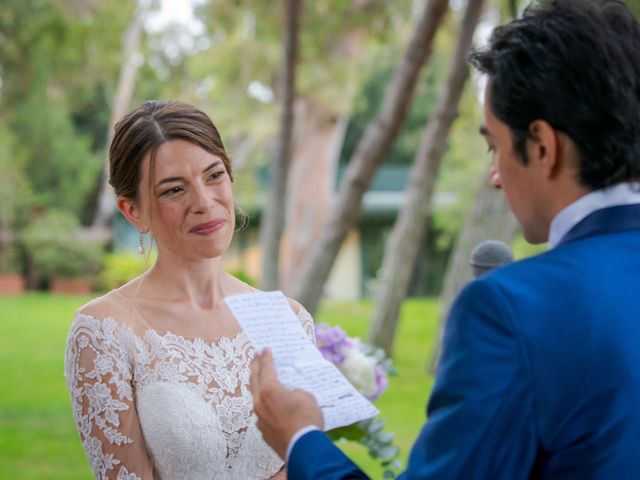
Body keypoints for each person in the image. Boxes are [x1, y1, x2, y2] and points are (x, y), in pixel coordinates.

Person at [249, 0, 640, 478]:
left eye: (494, 145)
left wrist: (301, 438)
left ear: (542, 146)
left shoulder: (510, 309)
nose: (495, 176)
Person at [64, 100, 315, 480]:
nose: (204, 202)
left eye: (214, 176)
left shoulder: (289, 320)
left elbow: (305, 464)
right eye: (174, 190)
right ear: (133, 211)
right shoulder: (103, 333)